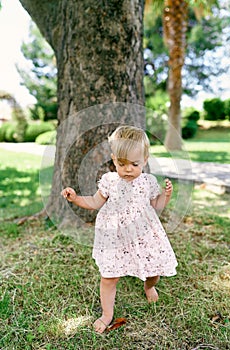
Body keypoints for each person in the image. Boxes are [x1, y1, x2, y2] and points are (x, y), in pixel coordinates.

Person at [61, 125, 178, 334]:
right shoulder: (109, 181)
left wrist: (166, 196)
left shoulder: (148, 182)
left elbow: (156, 206)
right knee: (109, 276)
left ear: (145, 159)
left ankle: (149, 286)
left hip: (143, 233)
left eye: (135, 164)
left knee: (155, 269)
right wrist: (76, 198)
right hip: (114, 235)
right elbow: (95, 202)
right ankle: (107, 314)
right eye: (122, 163)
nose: (128, 169)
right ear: (114, 159)